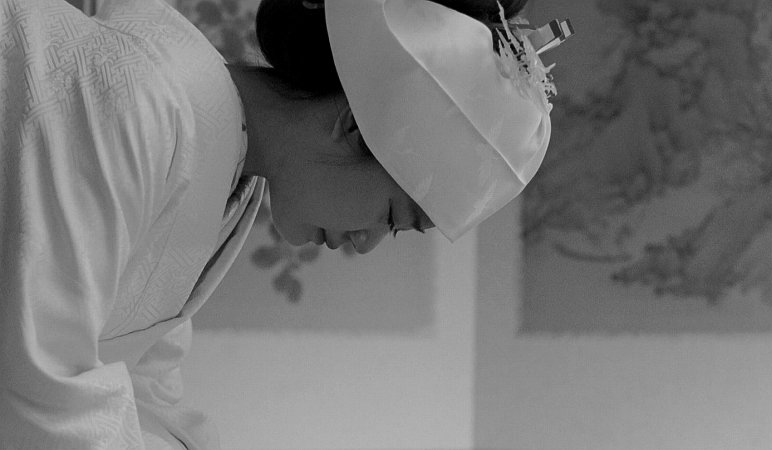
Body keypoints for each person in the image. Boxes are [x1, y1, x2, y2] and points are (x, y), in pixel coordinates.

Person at [0, 0, 564, 447]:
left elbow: (146, 388)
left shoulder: (227, 180)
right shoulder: (143, 102)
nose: (366, 244)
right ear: (351, 126)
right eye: (394, 217)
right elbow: (40, 381)